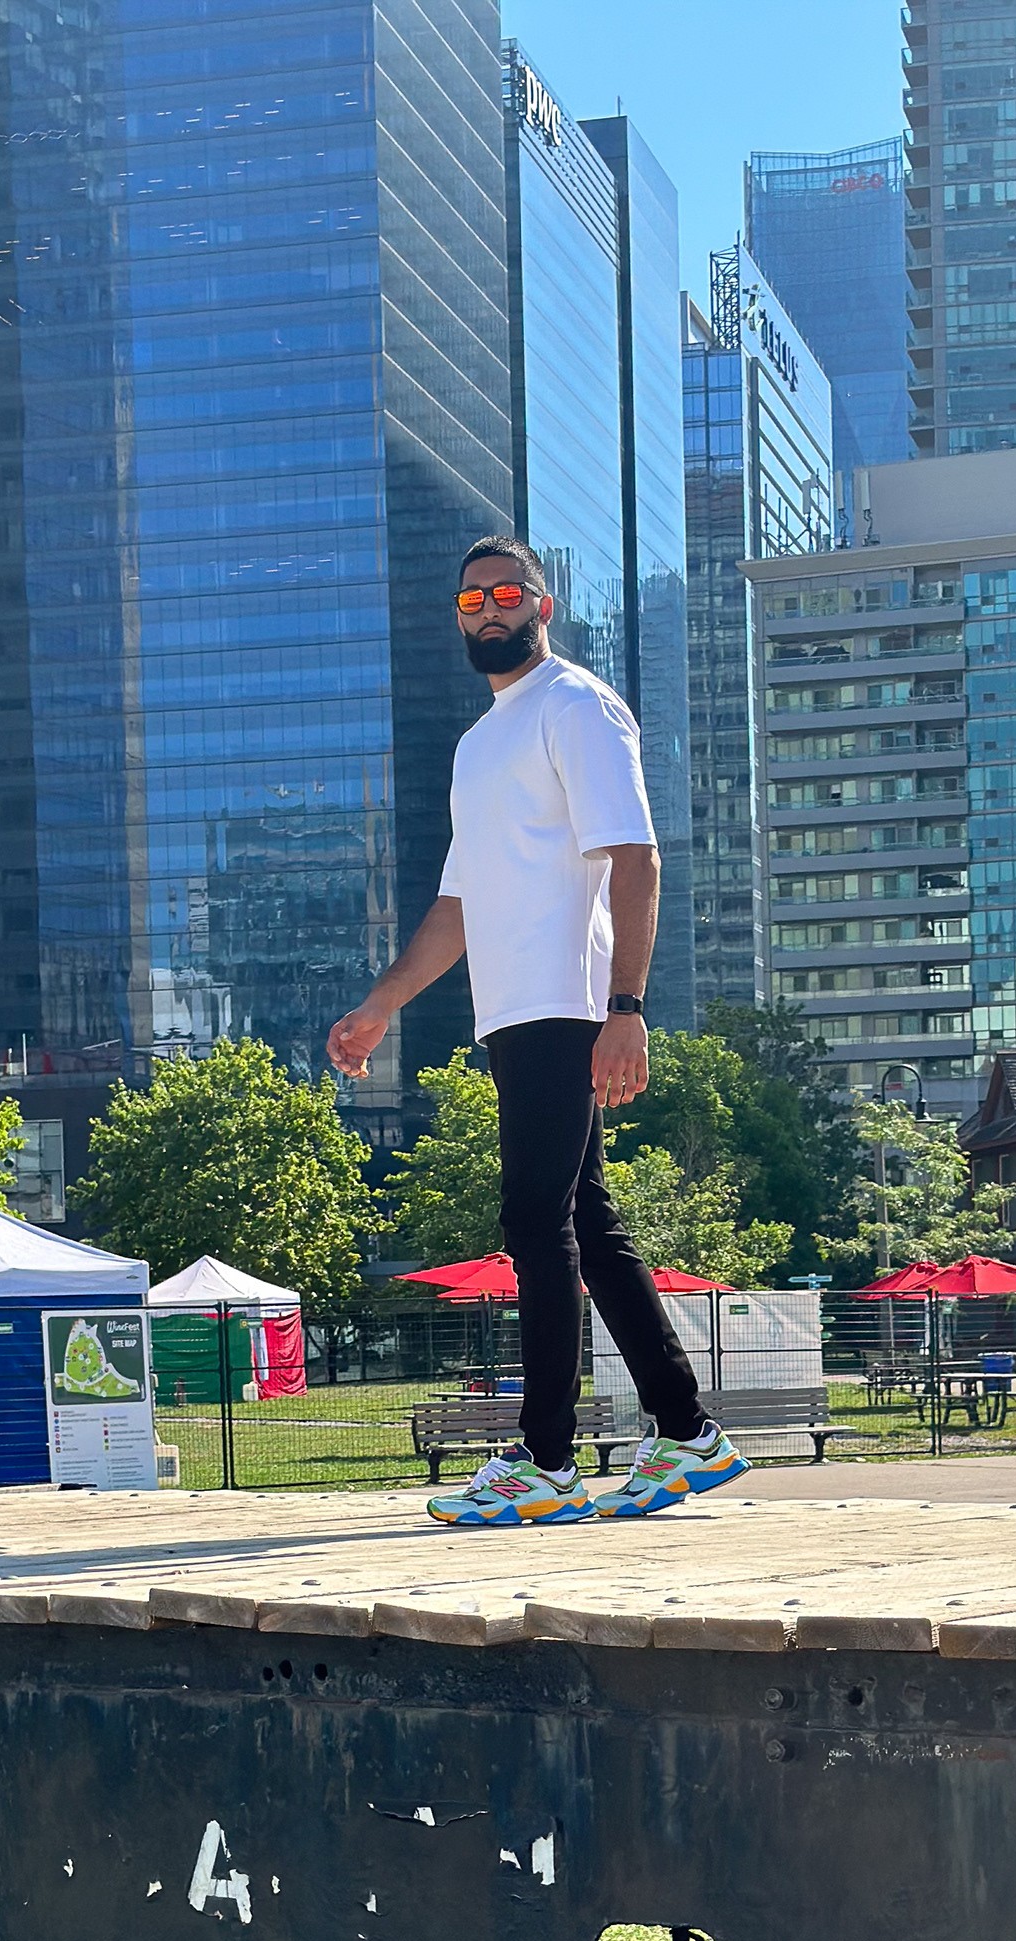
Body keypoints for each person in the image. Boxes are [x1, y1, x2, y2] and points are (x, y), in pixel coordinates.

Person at [327, 536, 748, 1527]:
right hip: (510, 1016)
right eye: (469, 597)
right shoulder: (480, 746)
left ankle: (550, 1460)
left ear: (542, 605)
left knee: (535, 1223)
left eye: (505, 593)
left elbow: (637, 860)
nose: (486, 610)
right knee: (589, 1229)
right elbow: (457, 907)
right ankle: (687, 1433)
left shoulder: (577, 707)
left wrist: (627, 1009)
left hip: (571, 1001)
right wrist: (383, 1002)